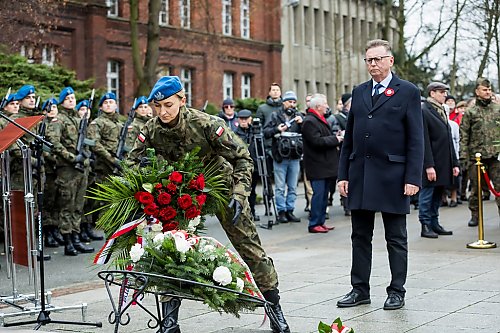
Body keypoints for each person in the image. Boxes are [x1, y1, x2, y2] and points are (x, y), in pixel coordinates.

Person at [127, 76, 290, 333]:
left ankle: (274, 307)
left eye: (168, 105)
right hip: (181, 193)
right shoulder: (150, 129)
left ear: (182, 100)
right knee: (170, 248)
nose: (162, 111)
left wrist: (240, 194)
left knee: (249, 246)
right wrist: (145, 181)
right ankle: (169, 320)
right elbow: (131, 163)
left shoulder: (206, 124)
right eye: (157, 107)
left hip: (221, 187)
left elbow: (243, 158)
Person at [337, 39, 424, 310]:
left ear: (390, 61)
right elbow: (349, 138)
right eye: (368, 60)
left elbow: (415, 139)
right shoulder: (360, 92)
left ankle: (396, 290)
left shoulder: (407, 92)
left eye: (377, 59)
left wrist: (412, 178)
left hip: (394, 176)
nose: (372, 64)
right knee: (359, 236)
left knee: (395, 237)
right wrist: (343, 175)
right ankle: (359, 289)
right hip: (361, 175)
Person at [45, 87, 94, 256]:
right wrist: (72, 158)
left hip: (82, 169)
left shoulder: (79, 119)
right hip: (67, 169)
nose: (72, 100)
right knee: (67, 205)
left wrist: (85, 158)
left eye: (73, 97)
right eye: (68, 98)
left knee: (78, 205)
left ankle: (76, 236)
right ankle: (68, 241)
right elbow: (54, 143)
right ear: (62, 101)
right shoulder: (59, 120)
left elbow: (87, 142)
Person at [418, 82, 459, 239]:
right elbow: (425, 140)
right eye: (441, 92)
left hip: (443, 162)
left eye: (445, 92)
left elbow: (448, 139)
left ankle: (435, 223)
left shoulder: (442, 110)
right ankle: (425, 224)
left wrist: (454, 163)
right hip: (432, 163)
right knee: (427, 194)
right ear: (432, 93)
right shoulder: (424, 111)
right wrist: (428, 165)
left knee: (438, 194)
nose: (445, 95)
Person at [459, 78, 500, 227]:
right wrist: (463, 156)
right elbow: (464, 135)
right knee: (476, 190)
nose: (488, 92)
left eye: (489, 90)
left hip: (495, 156)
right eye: (484, 89)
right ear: (477, 91)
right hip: (476, 157)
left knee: (499, 188)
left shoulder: (497, 109)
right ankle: (475, 215)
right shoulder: (471, 112)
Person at [302, 93, 342, 233]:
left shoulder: (318, 119)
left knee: (324, 195)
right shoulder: (309, 121)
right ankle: (314, 223)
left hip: (324, 165)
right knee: (318, 195)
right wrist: (336, 140)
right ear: (318, 106)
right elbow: (317, 141)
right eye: (325, 104)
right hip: (317, 165)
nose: (327, 106)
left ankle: (320, 221)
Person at [264, 90, 303, 224]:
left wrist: (302, 124)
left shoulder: (299, 116)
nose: (291, 105)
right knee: (280, 186)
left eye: (294, 102)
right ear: (284, 102)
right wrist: (277, 130)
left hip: (295, 156)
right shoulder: (275, 115)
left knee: (292, 186)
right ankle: (281, 212)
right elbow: (266, 132)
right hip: (280, 156)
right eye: (289, 102)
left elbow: (307, 134)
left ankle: (290, 210)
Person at [233, 109, 260, 221]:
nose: (244, 121)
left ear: (250, 119)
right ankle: (241, 213)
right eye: (241, 119)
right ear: (238, 120)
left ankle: (252, 211)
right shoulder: (234, 133)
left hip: (254, 166)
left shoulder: (255, 132)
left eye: (246, 119)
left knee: (252, 191)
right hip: (240, 167)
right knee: (241, 191)